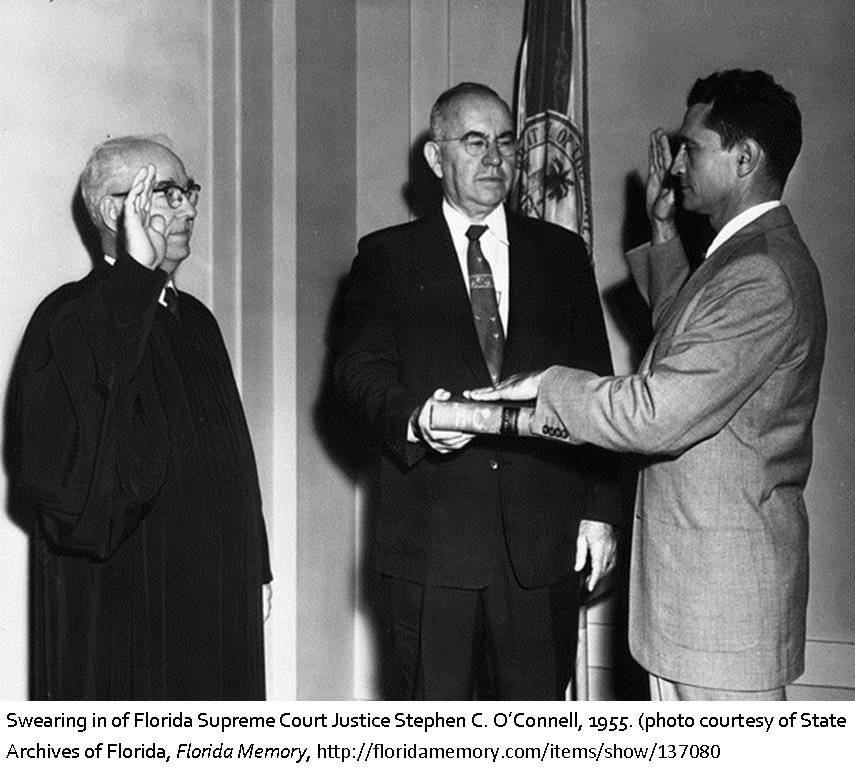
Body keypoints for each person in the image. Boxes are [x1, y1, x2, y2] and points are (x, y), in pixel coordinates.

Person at [467, 70, 827, 701]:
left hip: (721, 616)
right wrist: (663, 232)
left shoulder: (762, 274)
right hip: (697, 608)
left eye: (692, 148)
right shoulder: (743, 257)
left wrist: (547, 385)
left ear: (744, 158)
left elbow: (659, 411)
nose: (677, 164)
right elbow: (688, 337)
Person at [335, 83, 620, 700]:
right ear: (435, 157)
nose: (495, 157)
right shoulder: (387, 257)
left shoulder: (563, 254)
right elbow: (358, 370)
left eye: (506, 142)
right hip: (431, 546)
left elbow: (597, 389)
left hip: (541, 545)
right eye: (474, 142)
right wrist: (415, 417)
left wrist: (600, 511)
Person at [5, 136, 271, 699]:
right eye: (166, 193)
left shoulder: (196, 320)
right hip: (126, 593)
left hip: (217, 591)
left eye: (189, 192)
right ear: (112, 212)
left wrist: (257, 564)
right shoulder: (70, 316)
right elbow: (72, 474)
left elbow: (233, 456)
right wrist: (135, 274)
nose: (188, 208)